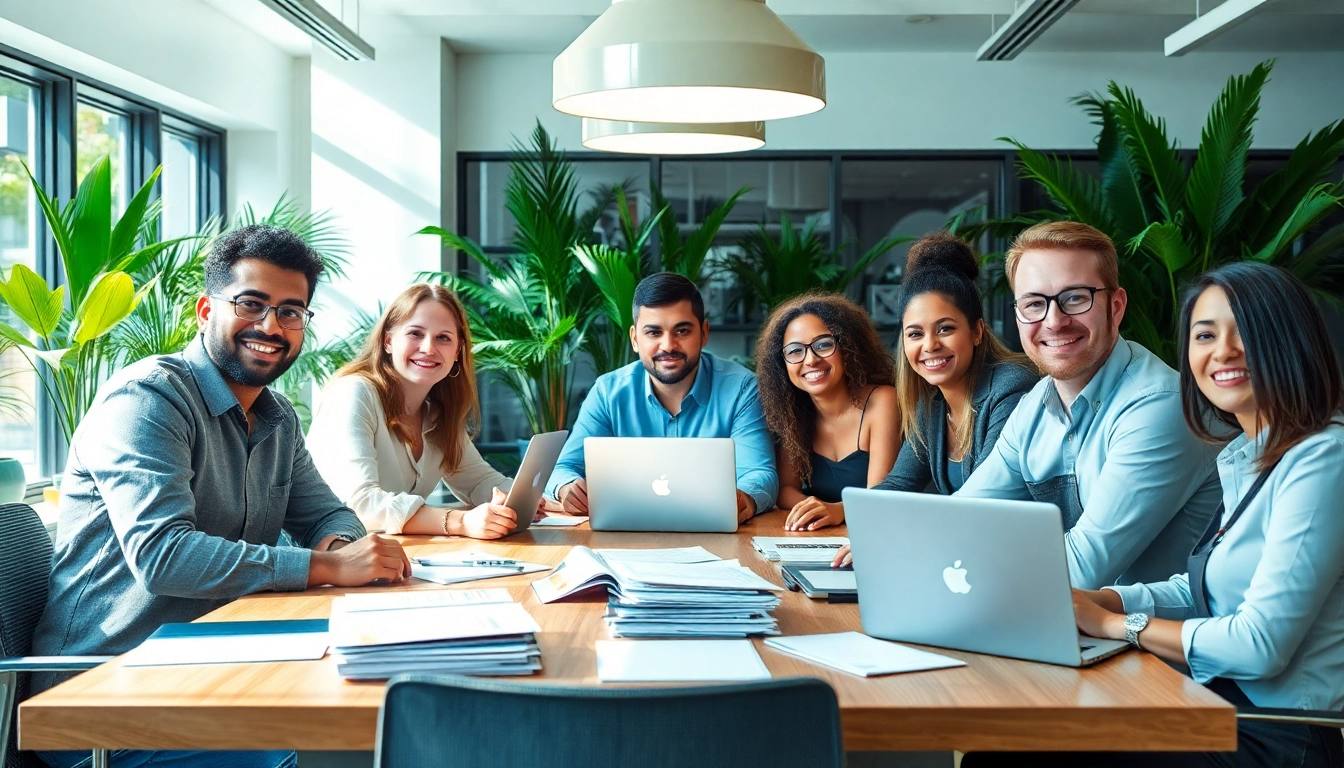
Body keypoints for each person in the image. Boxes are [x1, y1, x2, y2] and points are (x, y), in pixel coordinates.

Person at [30, 225, 411, 768]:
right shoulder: (148, 400)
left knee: (397, 698)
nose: (271, 326)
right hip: (101, 700)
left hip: (214, 662)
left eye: (290, 312)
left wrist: (340, 543)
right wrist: (328, 565)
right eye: (251, 304)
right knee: (338, 742)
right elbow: (165, 557)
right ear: (206, 310)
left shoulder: (277, 417)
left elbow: (327, 512)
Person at [968, 262, 1344, 768]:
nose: (1223, 351)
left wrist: (1115, 624)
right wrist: (1100, 599)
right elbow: (1203, 591)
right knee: (1003, 746)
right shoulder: (1248, 456)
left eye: (1246, 332)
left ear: (1292, 342)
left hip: (1278, 737)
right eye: (1204, 334)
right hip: (1214, 707)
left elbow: (1259, 644)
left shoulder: (1323, 457)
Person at [955, 221, 1222, 589]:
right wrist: (903, 543)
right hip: (1076, 627)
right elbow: (960, 519)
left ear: (1116, 306)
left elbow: (1082, 571)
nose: (1054, 321)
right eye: (1034, 304)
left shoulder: (1160, 406)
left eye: (1075, 298)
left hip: (1158, 638)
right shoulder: (1036, 403)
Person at [308, 283, 535, 538]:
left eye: (443, 338)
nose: (428, 348)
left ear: (458, 351)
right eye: (415, 333)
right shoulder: (352, 393)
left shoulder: (437, 412)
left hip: (394, 560)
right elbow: (360, 505)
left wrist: (531, 501)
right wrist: (460, 522)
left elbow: (479, 481)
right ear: (388, 341)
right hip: (332, 563)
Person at [546, 272, 777, 522]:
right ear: (635, 339)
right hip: (623, 538)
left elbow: (759, 471)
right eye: (654, 333)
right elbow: (563, 469)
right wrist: (567, 488)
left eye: (682, 331)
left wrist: (745, 498)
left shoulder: (742, 389)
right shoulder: (607, 392)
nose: (668, 345)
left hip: (718, 534)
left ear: (704, 333)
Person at [754, 292, 900, 531]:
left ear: (847, 347)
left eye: (823, 345)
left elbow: (880, 498)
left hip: (878, 533)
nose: (810, 360)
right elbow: (784, 490)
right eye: (794, 351)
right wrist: (814, 508)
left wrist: (839, 510)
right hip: (822, 536)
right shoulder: (794, 414)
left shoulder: (882, 401)